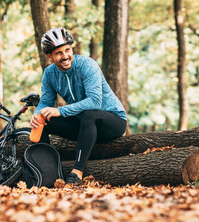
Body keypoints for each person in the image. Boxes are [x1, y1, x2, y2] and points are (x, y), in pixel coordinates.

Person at [30, 27, 127, 185]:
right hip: (84, 125)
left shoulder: (87, 65)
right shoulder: (49, 74)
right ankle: (47, 173)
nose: (65, 56)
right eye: (59, 53)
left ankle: (77, 172)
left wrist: (60, 111)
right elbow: (46, 102)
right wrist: (37, 114)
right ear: (49, 56)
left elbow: (95, 101)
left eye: (67, 50)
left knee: (90, 113)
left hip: (112, 122)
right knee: (43, 120)